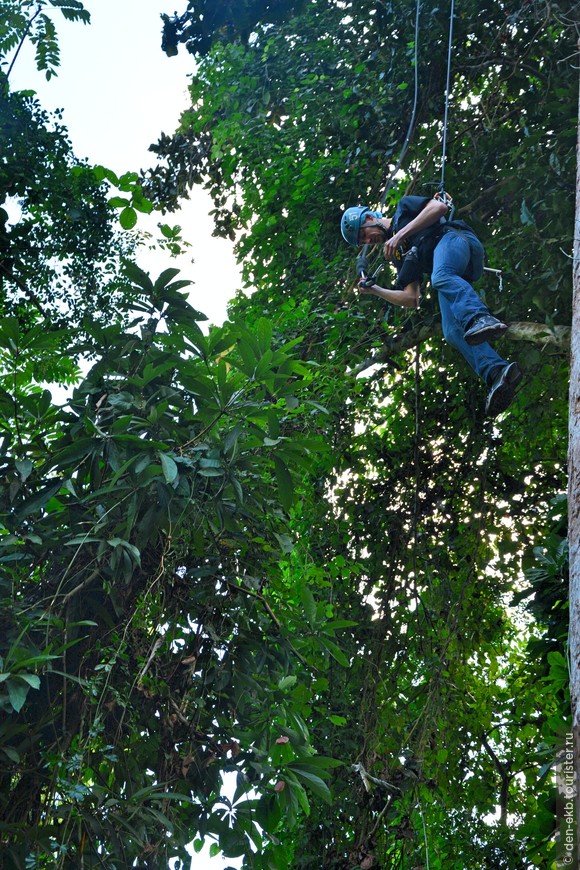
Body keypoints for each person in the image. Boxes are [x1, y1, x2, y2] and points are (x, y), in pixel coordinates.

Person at [340, 197, 522, 417]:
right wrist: (375, 290)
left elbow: (439, 207)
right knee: (452, 331)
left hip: (457, 240)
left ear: (369, 218)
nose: (368, 240)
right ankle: (496, 372)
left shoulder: (404, 209)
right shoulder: (399, 256)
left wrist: (399, 235)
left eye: (363, 234)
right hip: (456, 270)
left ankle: (481, 318)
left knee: (440, 276)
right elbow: (411, 298)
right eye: (363, 242)